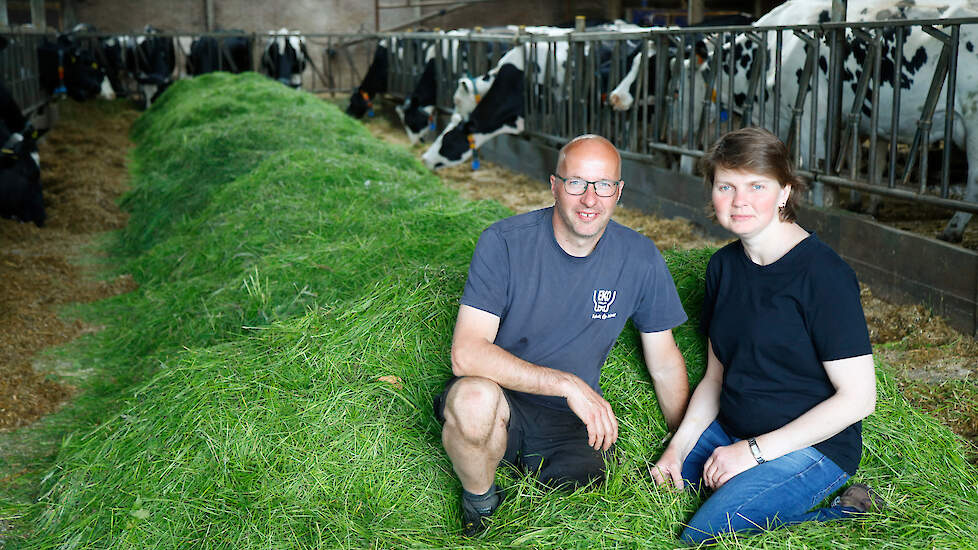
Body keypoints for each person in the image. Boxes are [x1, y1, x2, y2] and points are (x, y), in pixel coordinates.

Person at [434, 134, 690, 537]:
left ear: (618, 192)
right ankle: (479, 503)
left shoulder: (640, 257)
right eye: (576, 183)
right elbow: (466, 355)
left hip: (571, 424)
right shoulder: (502, 243)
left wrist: (685, 443)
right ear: (554, 185)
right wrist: (567, 384)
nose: (590, 199)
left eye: (603, 185)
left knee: (580, 521)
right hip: (502, 399)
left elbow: (663, 362)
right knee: (472, 398)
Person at [650, 126, 880, 545]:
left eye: (757, 185)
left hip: (811, 449)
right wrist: (677, 449)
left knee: (704, 535)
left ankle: (846, 510)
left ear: (784, 192)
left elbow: (860, 398)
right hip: (731, 430)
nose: (740, 201)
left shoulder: (823, 275)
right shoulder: (722, 268)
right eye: (726, 186)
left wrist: (752, 453)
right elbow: (715, 379)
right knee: (652, 494)